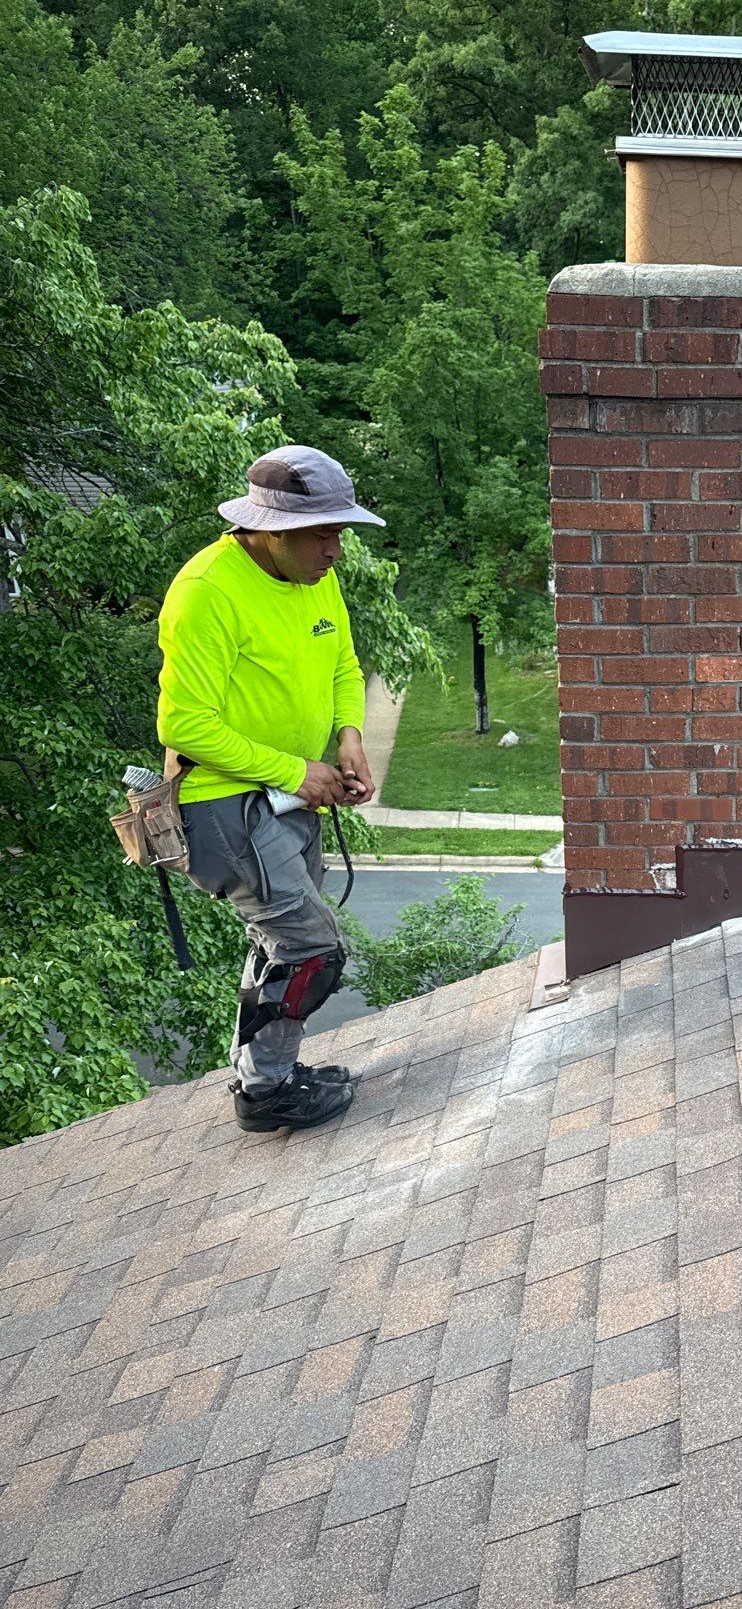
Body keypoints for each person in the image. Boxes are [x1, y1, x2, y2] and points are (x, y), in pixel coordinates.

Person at [156, 444, 385, 1132]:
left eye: (340, 531)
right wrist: (295, 771)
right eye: (323, 533)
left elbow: (342, 659)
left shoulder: (316, 578)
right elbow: (184, 721)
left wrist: (348, 736)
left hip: (287, 796)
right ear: (271, 531)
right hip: (222, 804)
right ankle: (266, 1095)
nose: (336, 550)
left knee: (276, 944)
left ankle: (268, 1075)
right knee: (309, 948)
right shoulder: (208, 593)